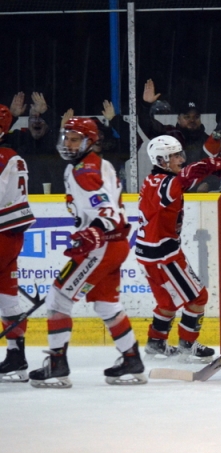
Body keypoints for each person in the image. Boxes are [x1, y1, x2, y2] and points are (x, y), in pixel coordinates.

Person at [28, 118, 141, 388]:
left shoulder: (83, 171)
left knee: (57, 299)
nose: (68, 143)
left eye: (75, 139)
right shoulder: (99, 164)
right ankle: (131, 359)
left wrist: (95, 231)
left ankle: (57, 366)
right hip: (114, 245)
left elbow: (108, 212)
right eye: (66, 137)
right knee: (106, 304)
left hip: (101, 247)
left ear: (89, 141)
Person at [136, 135, 221, 361]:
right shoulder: (166, 184)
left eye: (180, 154)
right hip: (164, 255)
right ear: (161, 160)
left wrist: (212, 164)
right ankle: (188, 344)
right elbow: (186, 177)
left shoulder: (154, 180)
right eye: (175, 156)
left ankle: (156, 343)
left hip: (146, 253)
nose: (180, 159)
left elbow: (183, 179)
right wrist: (212, 164)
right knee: (198, 298)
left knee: (166, 303)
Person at [0, 104, 36, 382]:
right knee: (8, 296)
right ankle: (16, 357)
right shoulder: (14, 157)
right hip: (12, 234)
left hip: (1, 232)